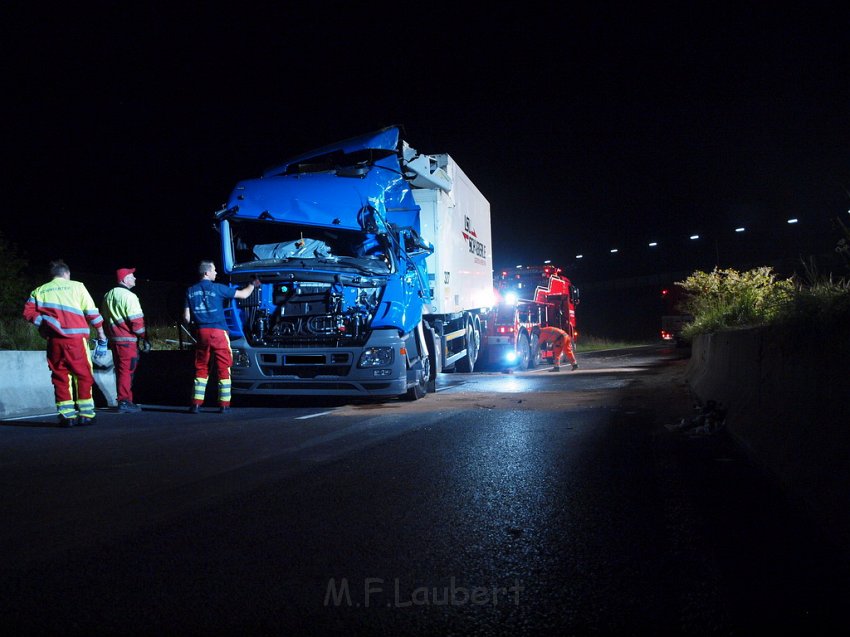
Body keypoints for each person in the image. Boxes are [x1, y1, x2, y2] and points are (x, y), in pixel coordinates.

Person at [22, 259, 107, 426]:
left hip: (54, 341)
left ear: (52, 275)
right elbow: (91, 312)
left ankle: (66, 416)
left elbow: (27, 312)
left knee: (60, 376)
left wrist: (45, 323)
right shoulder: (77, 286)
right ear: (66, 273)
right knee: (83, 375)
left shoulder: (40, 290)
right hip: (76, 340)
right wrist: (101, 333)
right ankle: (86, 414)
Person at [183, 260, 259, 413]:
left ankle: (196, 404)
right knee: (224, 368)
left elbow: (186, 317)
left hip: (202, 333)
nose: (216, 273)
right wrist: (253, 284)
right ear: (207, 273)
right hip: (219, 333)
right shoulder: (218, 288)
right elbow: (243, 295)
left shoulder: (190, 290)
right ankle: (224, 405)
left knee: (201, 367)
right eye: (214, 270)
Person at [102, 267, 148, 413]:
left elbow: (104, 318)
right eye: (132, 276)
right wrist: (144, 337)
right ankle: (124, 401)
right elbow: (137, 322)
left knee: (122, 371)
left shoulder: (108, 295)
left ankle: (126, 400)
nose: (134, 278)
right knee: (127, 371)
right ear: (124, 279)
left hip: (114, 340)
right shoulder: (129, 296)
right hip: (127, 341)